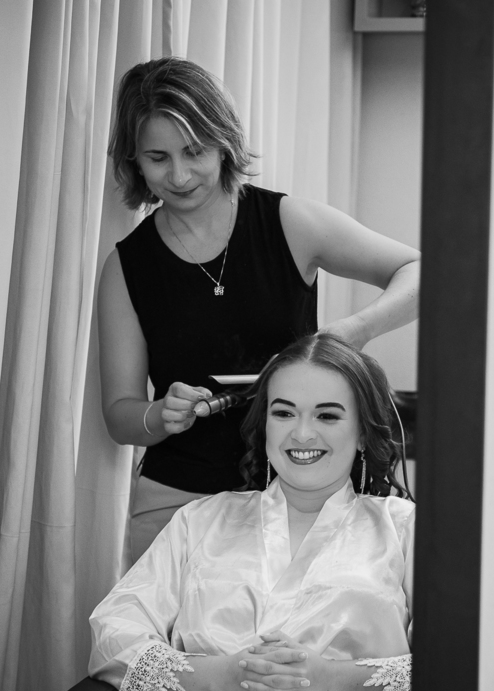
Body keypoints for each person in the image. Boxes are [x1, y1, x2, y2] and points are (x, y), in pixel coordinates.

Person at [98, 57, 420, 565]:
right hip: (179, 503)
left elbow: (421, 273)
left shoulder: (289, 222)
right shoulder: (126, 267)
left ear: (223, 142)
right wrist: (159, 415)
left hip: (303, 492)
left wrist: (354, 331)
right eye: (158, 158)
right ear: (134, 160)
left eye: (194, 151)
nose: (179, 175)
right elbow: (120, 417)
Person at [89, 333, 414, 691]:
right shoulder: (201, 520)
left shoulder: (403, 529)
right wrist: (226, 675)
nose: (302, 434)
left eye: (327, 415)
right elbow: (116, 630)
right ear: (265, 425)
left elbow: (454, 665)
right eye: (284, 413)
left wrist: (329, 678)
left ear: (363, 431)